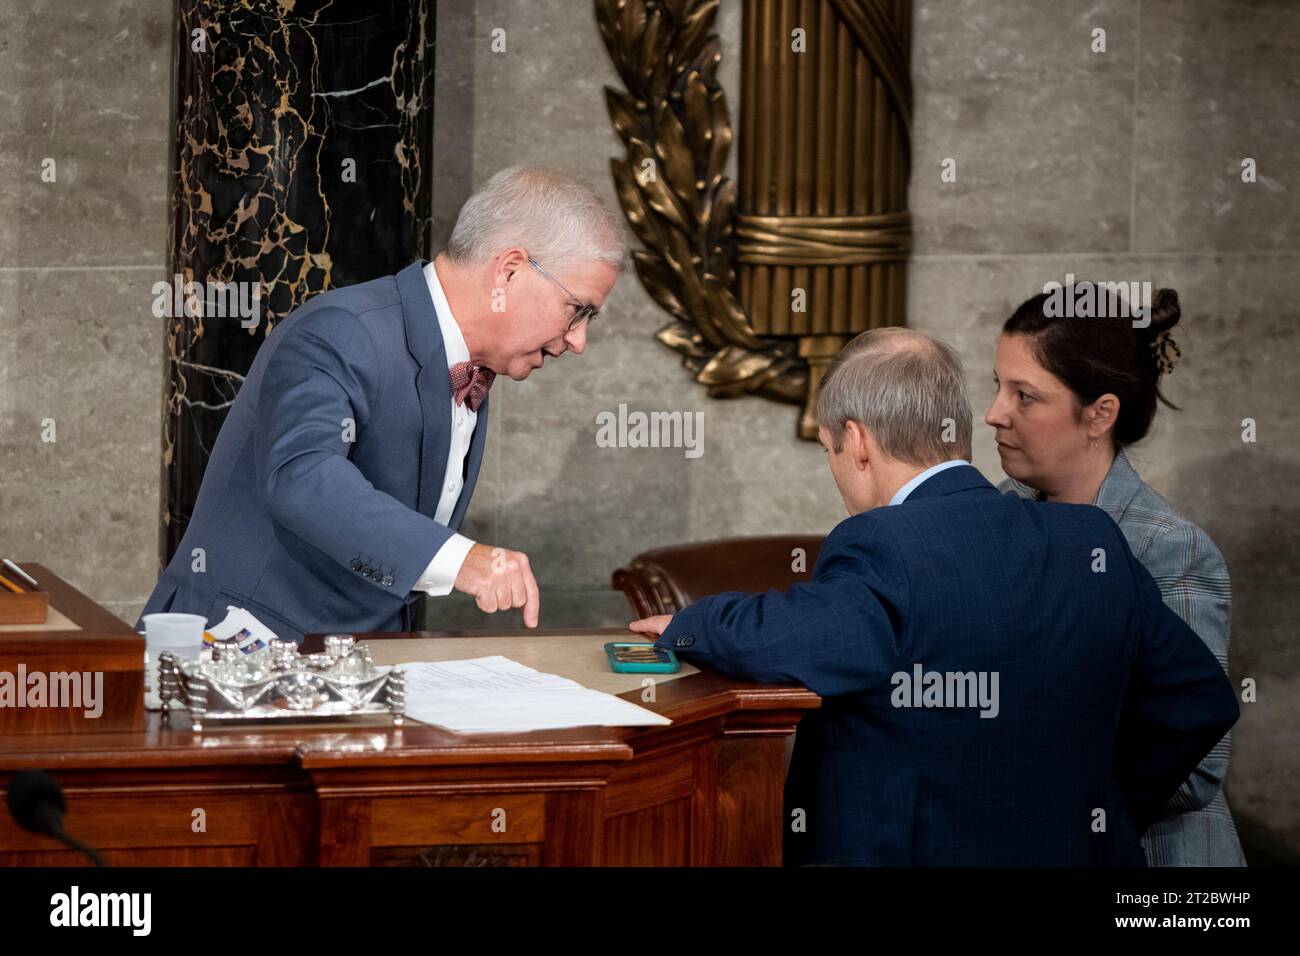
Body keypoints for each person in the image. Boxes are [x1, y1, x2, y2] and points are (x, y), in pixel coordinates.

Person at [629, 327, 1238, 866]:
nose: (836, 468)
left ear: (857, 441)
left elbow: (801, 634)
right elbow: (1199, 699)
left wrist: (689, 624)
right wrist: (1097, 799)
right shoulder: (1089, 538)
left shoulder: (883, 543)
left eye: (828, 451)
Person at [138, 166, 628, 642]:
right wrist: (460, 559)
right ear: (511, 271)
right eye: (578, 309)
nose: (579, 340)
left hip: (349, 673)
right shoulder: (340, 330)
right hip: (231, 657)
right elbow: (303, 476)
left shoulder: (472, 366)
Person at [986, 283, 1245, 866]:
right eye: (997, 387)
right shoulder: (997, 513)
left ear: (1099, 413)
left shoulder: (1169, 547)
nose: (994, 413)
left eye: (1024, 396)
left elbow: (1196, 768)